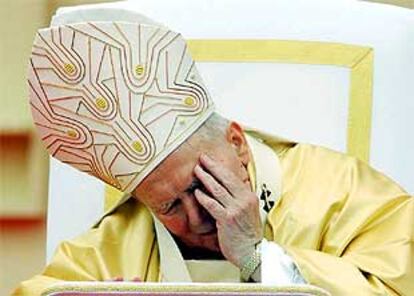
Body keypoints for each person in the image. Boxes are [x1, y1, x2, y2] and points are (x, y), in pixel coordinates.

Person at [14, 7, 413, 296]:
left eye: (200, 184)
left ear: (236, 143)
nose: (197, 217)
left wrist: (261, 259)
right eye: (170, 207)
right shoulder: (120, 238)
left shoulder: (340, 192)